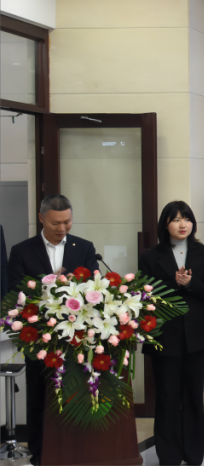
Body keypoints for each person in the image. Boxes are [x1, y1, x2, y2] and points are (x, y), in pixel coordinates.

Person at [6, 195, 98, 466]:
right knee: (38, 394)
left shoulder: (84, 247)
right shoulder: (22, 251)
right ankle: (39, 452)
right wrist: (49, 285)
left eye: (67, 221)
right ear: (41, 218)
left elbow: (95, 287)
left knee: (75, 392)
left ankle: (76, 450)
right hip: (38, 337)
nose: (62, 228)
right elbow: (15, 292)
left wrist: (73, 287)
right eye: (56, 223)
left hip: (76, 336)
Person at [138, 201, 204, 466]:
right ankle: (169, 455)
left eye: (186, 219)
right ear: (165, 225)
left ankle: (194, 454)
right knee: (167, 394)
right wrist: (174, 283)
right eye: (175, 219)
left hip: (198, 331)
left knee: (193, 394)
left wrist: (191, 283)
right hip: (164, 332)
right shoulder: (150, 256)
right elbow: (145, 293)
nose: (182, 224)